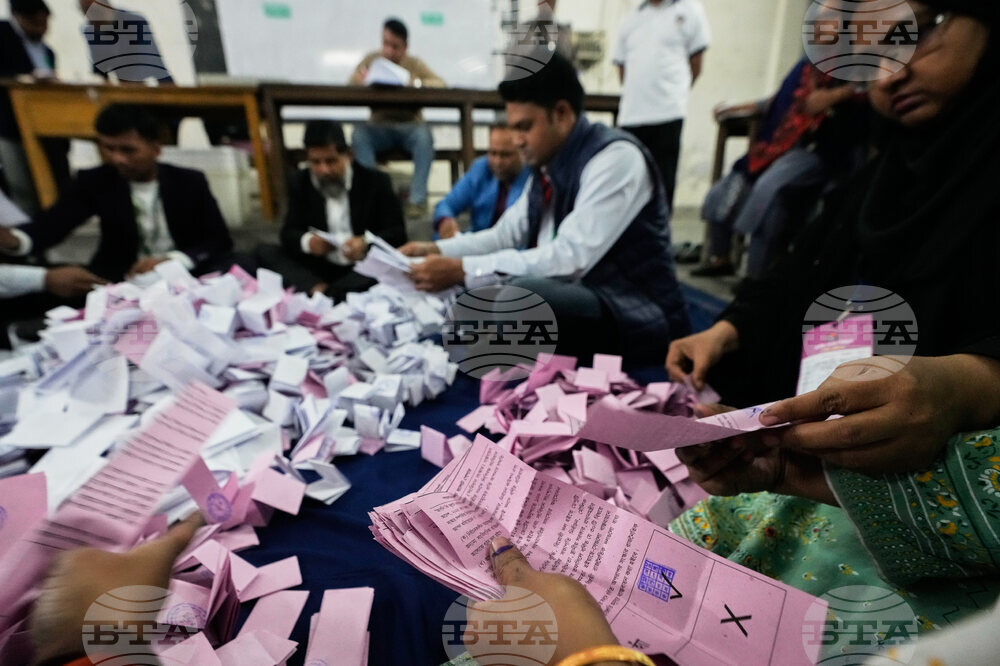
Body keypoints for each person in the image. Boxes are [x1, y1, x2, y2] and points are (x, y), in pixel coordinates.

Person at [666, 0, 1000, 475]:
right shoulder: (881, 181)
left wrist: (970, 386)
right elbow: (802, 272)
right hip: (839, 470)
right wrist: (724, 332)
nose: (888, 77)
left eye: (917, 35)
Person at [400, 52, 690, 364]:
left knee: (517, 298)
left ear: (562, 114)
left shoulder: (617, 158)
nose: (517, 140)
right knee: (484, 306)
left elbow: (570, 258)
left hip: (635, 309)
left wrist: (463, 270)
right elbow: (503, 236)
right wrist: (435, 250)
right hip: (583, 295)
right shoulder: (546, 168)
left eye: (524, 127)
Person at [0, 104, 234, 283]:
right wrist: (15, 240)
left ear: (155, 149)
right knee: (51, 280)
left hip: (183, 273)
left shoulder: (189, 181)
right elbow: (52, 225)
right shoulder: (96, 180)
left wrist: (173, 260)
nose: (117, 159)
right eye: (108, 148)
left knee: (240, 264)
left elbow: (219, 240)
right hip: (119, 277)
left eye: (128, 150)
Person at [692, 58, 869, 278]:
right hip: (773, 149)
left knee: (768, 192)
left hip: (818, 151)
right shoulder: (805, 66)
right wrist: (735, 107)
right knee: (720, 193)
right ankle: (721, 259)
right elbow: (776, 101)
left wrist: (836, 96)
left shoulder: (853, 64)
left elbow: (867, 93)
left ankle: (756, 277)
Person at [256, 120, 406, 301]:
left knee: (391, 265)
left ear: (348, 155)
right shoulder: (300, 182)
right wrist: (308, 242)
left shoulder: (375, 182)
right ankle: (325, 291)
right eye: (315, 162)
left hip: (361, 268)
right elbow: (289, 233)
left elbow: (397, 234)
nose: (324, 170)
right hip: (320, 268)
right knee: (264, 252)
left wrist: (365, 242)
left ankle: (326, 294)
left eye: (331, 161)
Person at [613, 0, 711, 210]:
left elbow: (696, 64)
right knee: (629, 184)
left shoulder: (690, 10)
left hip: (668, 112)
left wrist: (672, 94)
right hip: (632, 115)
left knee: (662, 184)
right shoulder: (630, 18)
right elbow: (622, 68)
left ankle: (658, 239)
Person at [349, 18, 444, 219]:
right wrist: (360, 81)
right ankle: (373, 197)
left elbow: (441, 85)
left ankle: (416, 201)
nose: (389, 51)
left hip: (410, 126)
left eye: (395, 46)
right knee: (359, 134)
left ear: (405, 47)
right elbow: (350, 86)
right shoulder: (372, 60)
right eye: (385, 44)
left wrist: (415, 82)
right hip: (378, 127)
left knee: (424, 136)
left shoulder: (414, 64)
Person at [0, 0, 69, 215]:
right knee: (21, 185)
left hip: (46, 125)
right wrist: (25, 79)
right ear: (19, 18)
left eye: (45, 23)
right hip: (11, 124)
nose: (42, 28)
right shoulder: (4, 36)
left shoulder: (46, 51)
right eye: (35, 22)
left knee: (53, 183)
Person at [432, 122, 530, 240]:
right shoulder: (481, 168)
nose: (497, 162)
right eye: (493, 153)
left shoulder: (533, 178)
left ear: (522, 152)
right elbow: (447, 204)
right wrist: (445, 221)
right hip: (477, 243)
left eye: (505, 155)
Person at [78, 0, 173, 84]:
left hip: (142, 85)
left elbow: (155, 66)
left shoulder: (135, 22)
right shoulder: (91, 31)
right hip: (123, 89)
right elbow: (99, 72)